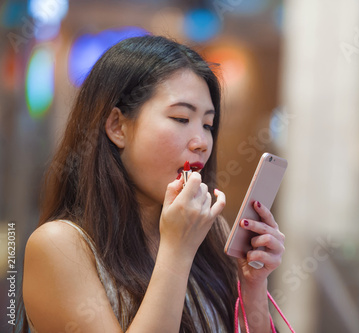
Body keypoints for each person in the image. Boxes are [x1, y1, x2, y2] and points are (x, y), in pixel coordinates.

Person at [18, 35, 286, 332]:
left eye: (208, 125)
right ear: (117, 126)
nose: (201, 143)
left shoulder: (211, 232)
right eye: (181, 118)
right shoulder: (59, 246)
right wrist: (177, 251)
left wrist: (253, 287)